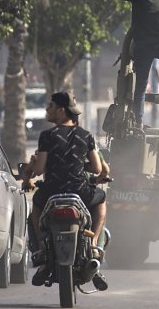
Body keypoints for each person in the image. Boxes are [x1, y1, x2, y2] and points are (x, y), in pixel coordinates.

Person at [21, 92, 108, 286]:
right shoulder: (86, 135)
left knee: (35, 208)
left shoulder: (47, 136)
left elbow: (40, 169)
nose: (46, 110)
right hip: (81, 192)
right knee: (101, 202)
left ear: (61, 111)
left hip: (52, 192)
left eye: (50, 106)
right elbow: (97, 168)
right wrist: (78, 165)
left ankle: (42, 250)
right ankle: (93, 246)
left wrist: (33, 165)